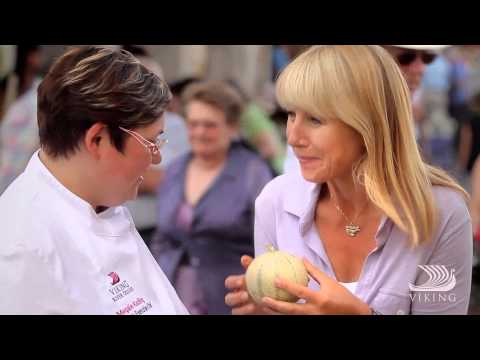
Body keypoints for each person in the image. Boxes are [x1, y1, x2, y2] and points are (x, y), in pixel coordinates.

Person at [225, 45, 472, 315]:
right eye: (291, 115)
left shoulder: (439, 212)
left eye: (315, 119)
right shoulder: (275, 201)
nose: (294, 138)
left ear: (368, 123)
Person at [0, 46, 188, 314]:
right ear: (97, 140)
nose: (157, 158)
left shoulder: (101, 200)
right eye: (151, 142)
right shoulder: (22, 251)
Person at [150, 81, 273, 315]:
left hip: (229, 297)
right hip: (171, 293)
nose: (199, 133)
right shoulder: (175, 170)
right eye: (193, 124)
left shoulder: (253, 172)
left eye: (210, 125)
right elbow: (161, 237)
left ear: (232, 127)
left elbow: (269, 242)